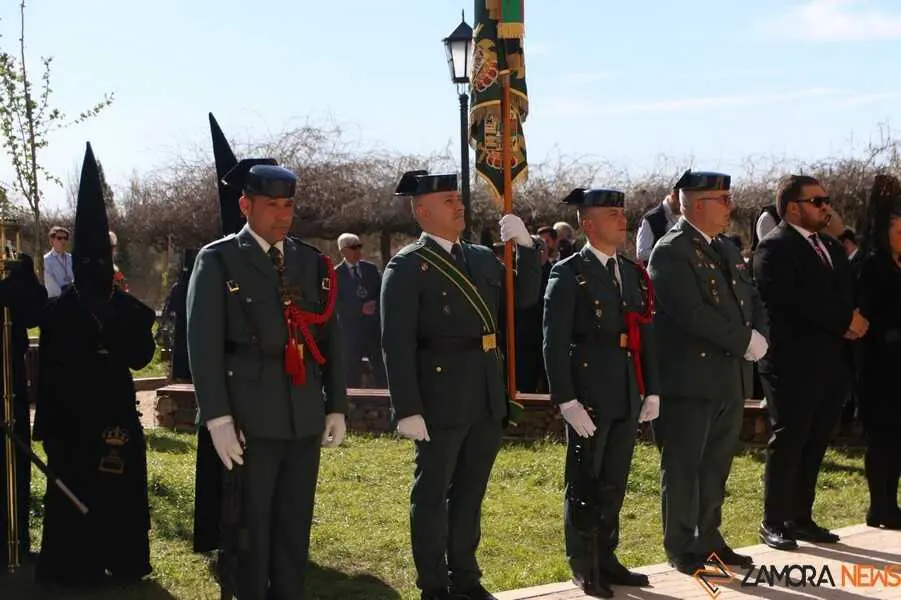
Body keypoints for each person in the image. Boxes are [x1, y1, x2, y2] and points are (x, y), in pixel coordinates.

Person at [187, 157, 347, 600]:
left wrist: (335, 405)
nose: (282, 214)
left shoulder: (309, 261)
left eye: (289, 205)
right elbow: (202, 345)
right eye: (272, 204)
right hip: (249, 417)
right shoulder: (218, 260)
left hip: (302, 414)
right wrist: (217, 417)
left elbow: (331, 338)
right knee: (249, 528)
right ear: (245, 205)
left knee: (294, 525)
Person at [381, 170, 540, 600]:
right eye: (449, 200)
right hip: (440, 394)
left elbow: (523, 299)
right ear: (422, 210)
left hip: (484, 390)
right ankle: (434, 585)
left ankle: (466, 577)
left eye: (458, 198)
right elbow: (395, 342)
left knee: (471, 490)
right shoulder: (408, 265)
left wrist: (526, 248)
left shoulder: (481, 258)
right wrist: (407, 407)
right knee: (432, 493)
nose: (459, 206)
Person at [33, 143, 156, 587]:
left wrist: (117, 330)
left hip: (115, 415)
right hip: (70, 419)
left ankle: (123, 560)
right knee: (73, 493)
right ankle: (72, 564)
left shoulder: (125, 308)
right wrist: (45, 425)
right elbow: (46, 369)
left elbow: (142, 357)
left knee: (119, 488)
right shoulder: (60, 311)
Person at [647, 169, 768, 574]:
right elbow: (691, 313)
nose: (730, 206)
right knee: (684, 466)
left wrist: (759, 335)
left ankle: (709, 537)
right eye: (724, 199)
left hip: (726, 378)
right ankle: (682, 545)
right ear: (698, 204)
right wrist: (743, 340)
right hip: (689, 380)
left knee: (716, 464)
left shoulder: (727, 248)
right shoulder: (670, 251)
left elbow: (751, 296)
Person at [543, 187, 660, 597]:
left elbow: (644, 334)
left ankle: (607, 557)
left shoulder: (630, 272)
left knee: (615, 480)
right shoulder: (569, 272)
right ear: (588, 224)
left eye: (622, 212)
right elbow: (553, 342)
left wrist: (652, 390)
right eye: (612, 213)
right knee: (585, 479)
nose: (622, 219)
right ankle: (584, 562)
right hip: (589, 391)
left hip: (625, 388)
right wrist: (566, 399)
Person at [753, 175, 862, 550]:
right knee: (790, 440)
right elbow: (792, 303)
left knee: (816, 441)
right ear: (792, 207)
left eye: (826, 199)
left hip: (831, 362)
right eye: (817, 200)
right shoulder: (774, 248)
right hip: (791, 363)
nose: (825, 206)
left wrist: (849, 320)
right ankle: (773, 520)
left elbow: (844, 295)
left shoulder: (830, 247)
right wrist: (843, 321)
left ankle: (800, 517)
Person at [0, 228, 47, 569]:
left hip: (10, 378)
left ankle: (15, 537)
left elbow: (36, 311)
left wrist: (21, 277)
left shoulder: (15, 264)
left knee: (14, 456)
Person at [856, 174, 901, 530]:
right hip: (880, 367)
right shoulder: (873, 266)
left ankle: (892, 502)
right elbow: (866, 316)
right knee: (882, 437)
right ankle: (880, 505)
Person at [335, 232, 387, 388]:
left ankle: (385, 405)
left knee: (381, 368)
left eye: (359, 246)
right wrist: (359, 308)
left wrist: (375, 306)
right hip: (351, 333)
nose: (358, 251)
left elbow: (382, 293)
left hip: (373, 331)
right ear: (343, 251)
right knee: (351, 371)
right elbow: (335, 304)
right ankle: (353, 407)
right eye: (353, 247)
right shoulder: (335, 274)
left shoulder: (370, 270)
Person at [636, 180, 682, 263]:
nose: (682, 208)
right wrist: (669, 253)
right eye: (681, 203)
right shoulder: (651, 219)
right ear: (673, 196)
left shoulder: (683, 216)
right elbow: (642, 253)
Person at [42, 225, 73, 298]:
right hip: (56, 300)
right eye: (59, 238)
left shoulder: (71, 258)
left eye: (65, 238)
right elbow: (50, 284)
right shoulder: (46, 260)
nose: (63, 241)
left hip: (73, 299)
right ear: (52, 240)